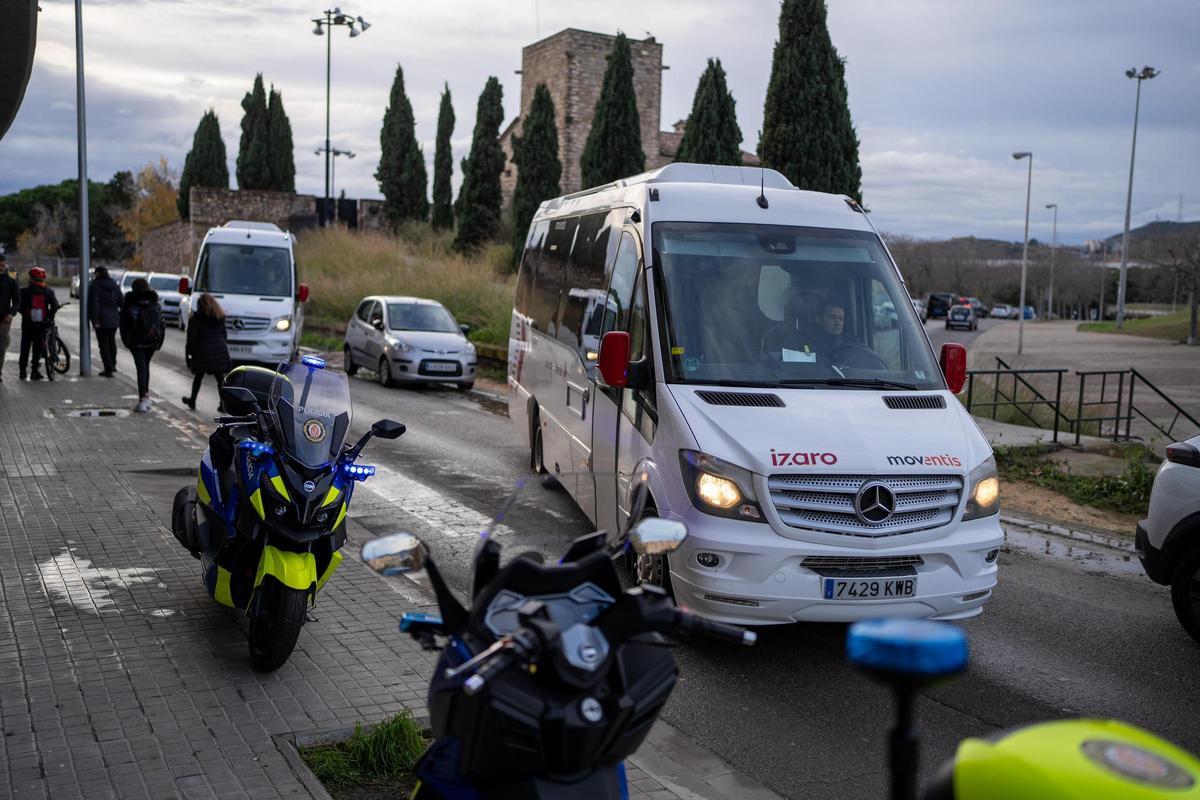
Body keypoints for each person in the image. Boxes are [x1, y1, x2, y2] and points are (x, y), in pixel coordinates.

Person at [119, 277, 164, 413]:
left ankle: (142, 400)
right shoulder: (154, 302)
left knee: (141, 368)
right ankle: (146, 396)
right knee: (145, 366)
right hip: (151, 340)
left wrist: (126, 340)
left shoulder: (130, 302)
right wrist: (159, 341)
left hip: (136, 341)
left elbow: (124, 323)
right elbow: (162, 323)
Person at [183, 292, 231, 410]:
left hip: (202, 352)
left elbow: (191, 339)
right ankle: (223, 404)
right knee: (220, 380)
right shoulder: (219, 317)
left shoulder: (195, 319)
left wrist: (188, 354)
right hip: (219, 351)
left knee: (198, 377)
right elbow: (224, 335)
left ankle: (192, 400)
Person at [18, 267, 60, 381]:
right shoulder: (48, 292)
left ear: (31, 279)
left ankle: (22, 371)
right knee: (37, 347)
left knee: (25, 347)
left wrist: (26, 315)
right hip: (41, 325)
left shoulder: (24, 292)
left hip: (27, 324)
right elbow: (55, 306)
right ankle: (34, 371)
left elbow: (19, 307)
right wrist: (49, 318)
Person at [88, 266, 123, 377]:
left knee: (104, 346)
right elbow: (121, 302)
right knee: (112, 343)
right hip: (113, 319)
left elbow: (95, 304)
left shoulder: (95, 286)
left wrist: (95, 320)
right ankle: (113, 365)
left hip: (101, 320)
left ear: (97, 274)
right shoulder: (114, 285)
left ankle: (108, 369)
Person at [0, 254, 18, 382]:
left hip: (3, 320)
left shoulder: (11, 282)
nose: (1, 267)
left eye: (2, 265)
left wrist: (11, 313)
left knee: (1, 346)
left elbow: (17, 301)